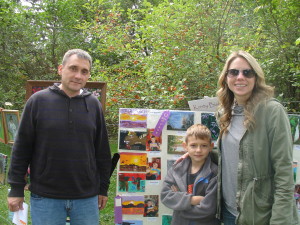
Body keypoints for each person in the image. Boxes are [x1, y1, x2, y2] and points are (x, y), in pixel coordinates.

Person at [179, 50, 299, 224]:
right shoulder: (225, 112)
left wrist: (280, 220)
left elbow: (284, 172)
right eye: (234, 72)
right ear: (226, 78)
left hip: (260, 216)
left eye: (247, 72)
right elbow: (232, 155)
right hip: (228, 212)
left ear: (256, 78)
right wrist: (198, 154)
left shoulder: (272, 111)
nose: (240, 77)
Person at [7, 49, 112, 225]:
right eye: (73, 68)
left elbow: (102, 151)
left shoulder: (93, 105)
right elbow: (21, 149)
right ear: (60, 69)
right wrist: (16, 189)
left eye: (84, 71)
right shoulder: (38, 101)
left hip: (86, 197)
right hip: (46, 197)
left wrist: (103, 188)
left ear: (88, 76)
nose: (78, 75)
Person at [161, 124, 220, 225]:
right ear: (185, 146)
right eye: (193, 145)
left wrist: (179, 205)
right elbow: (165, 195)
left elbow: (209, 209)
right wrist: (192, 200)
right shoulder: (176, 169)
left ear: (211, 147)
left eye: (204, 145)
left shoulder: (214, 172)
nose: (198, 150)